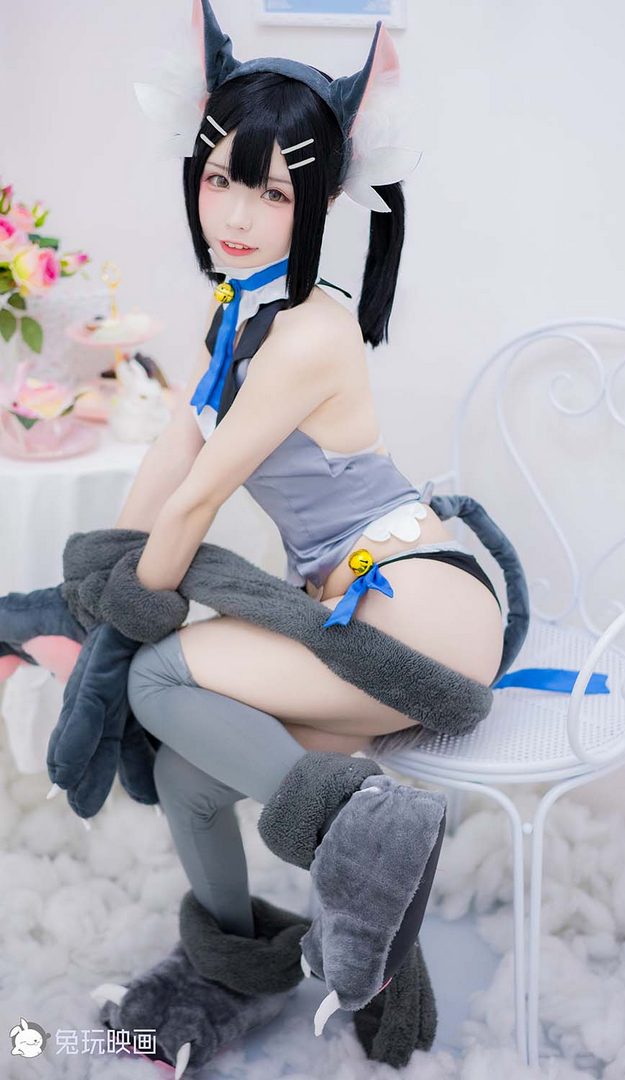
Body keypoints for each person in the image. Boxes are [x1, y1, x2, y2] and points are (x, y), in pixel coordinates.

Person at [6, 4, 511, 1074]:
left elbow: (198, 501)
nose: (235, 215)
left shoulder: (313, 334)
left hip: (420, 601)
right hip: (349, 603)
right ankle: (233, 965)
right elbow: (175, 449)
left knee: (156, 677)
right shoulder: (237, 309)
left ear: (316, 201)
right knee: (190, 770)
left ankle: (365, 853)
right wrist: (95, 575)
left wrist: (110, 623)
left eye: (273, 192)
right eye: (219, 180)